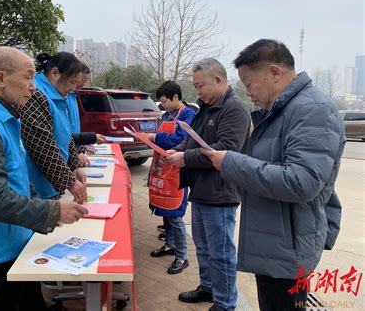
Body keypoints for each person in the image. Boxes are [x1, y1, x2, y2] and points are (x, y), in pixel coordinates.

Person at [201, 39, 345, 311]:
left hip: (288, 249)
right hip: (274, 240)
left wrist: (232, 163)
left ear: (275, 72)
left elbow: (302, 182)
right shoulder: (282, 111)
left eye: (249, 82)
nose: (247, 91)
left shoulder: (313, 110)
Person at [0, 46, 88, 311]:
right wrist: (52, 211)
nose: (33, 87)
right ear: (0, 79)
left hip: (14, 232)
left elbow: (19, 173)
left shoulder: (5, 117)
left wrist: (42, 205)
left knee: (26, 300)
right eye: (28, 77)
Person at [166, 59, 251, 311]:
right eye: (195, 86)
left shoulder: (235, 109)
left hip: (221, 193)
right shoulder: (206, 107)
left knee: (221, 253)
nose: (197, 92)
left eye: (200, 85)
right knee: (203, 247)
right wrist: (177, 150)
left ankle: (225, 304)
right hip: (201, 189)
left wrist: (185, 158)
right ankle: (208, 288)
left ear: (218, 80)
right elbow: (193, 140)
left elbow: (224, 150)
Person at [19, 52, 88, 201]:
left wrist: (75, 166)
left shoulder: (57, 95)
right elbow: (42, 146)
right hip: (36, 187)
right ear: (55, 73)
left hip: (50, 183)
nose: (73, 88)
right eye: (71, 82)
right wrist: (69, 182)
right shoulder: (35, 94)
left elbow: (66, 135)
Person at [146, 80, 196, 274]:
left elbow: (181, 140)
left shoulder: (188, 115)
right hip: (162, 168)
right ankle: (170, 244)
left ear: (176, 97)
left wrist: (155, 137)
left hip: (176, 170)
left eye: (165, 101)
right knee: (165, 211)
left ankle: (182, 256)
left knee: (175, 215)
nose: (163, 105)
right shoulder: (166, 115)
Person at [66, 63, 106, 166]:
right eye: (82, 79)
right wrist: (76, 153)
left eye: (86, 80)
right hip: (67, 153)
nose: (83, 84)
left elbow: (75, 129)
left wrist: (82, 145)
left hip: (73, 147)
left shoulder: (74, 96)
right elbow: (63, 134)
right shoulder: (63, 97)